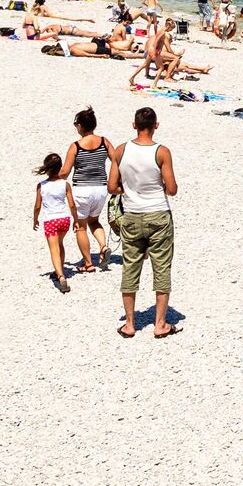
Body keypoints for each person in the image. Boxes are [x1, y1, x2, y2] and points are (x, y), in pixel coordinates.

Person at [109, 107, 178, 339]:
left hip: (132, 213)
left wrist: (128, 190)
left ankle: (129, 324)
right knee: (161, 267)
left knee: (130, 267)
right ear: (156, 125)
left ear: (134, 125)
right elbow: (172, 189)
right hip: (158, 213)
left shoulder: (120, 150)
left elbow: (112, 187)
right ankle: (160, 324)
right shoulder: (162, 152)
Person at [60, 108, 114, 273]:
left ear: (81, 126)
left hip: (82, 190)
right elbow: (116, 161)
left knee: (81, 227)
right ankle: (103, 247)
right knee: (94, 221)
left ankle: (89, 264)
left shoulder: (76, 146)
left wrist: (50, 174)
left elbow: (65, 172)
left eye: (76, 124)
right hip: (101, 189)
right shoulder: (104, 142)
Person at [32, 152, 76, 294]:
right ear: (60, 167)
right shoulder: (65, 184)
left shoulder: (41, 186)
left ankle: (61, 277)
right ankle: (59, 270)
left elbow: (37, 206)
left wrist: (35, 219)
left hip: (51, 220)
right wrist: (75, 219)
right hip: (64, 219)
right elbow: (72, 205)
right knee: (60, 244)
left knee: (53, 249)